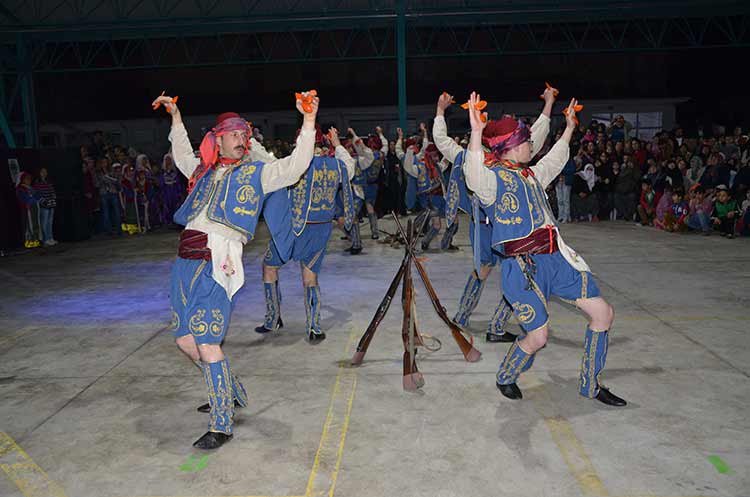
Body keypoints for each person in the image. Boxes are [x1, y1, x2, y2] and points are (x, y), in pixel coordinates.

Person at [152, 91, 317, 450]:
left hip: (218, 260)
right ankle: (231, 391)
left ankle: (222, 422)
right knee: (185, 340)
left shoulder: (258, 174)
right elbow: (181, 154)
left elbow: (296, 164)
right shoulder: (203, 171)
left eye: (246, 134)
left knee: (208, 341)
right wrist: (176, 116)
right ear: (218, 139)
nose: (243, 139)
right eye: (236, 134)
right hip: (185, 261)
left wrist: (307, 121)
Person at [463, 92, 625, 406]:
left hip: (556, 260)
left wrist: (569, 128)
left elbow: (555, 158)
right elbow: (473, 175)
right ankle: (506, 375)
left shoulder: (532, 175)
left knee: (603, 313)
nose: (531, 146)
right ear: (509, 147)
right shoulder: (492, 181)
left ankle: (590, 384)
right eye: (525, 142)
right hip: (521, 269)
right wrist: (476, 133)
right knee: (538, 337)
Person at [435, 85, 555, 342]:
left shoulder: (501, 155)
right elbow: (442, 142)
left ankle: (475, 320)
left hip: (499, 226)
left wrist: (548, 104)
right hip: (491, 226)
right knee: (499, 272)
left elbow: (535, 136)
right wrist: (440, 111)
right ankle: (480, 322)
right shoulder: (482, 156)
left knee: (504, 273)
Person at [256, 126, 355, 341]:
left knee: (269, 267)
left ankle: (273, 318)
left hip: (293, 227)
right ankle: (314, 327)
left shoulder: (297, 163)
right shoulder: (337, 166)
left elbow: (268, 163)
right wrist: (337, 144)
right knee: (310, 277)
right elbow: (351, 166)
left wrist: (252, 144)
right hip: (320, 229)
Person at [16, 171, 42, 248]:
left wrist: (35, 198)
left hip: (35, 209)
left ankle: (36, 241)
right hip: (27, 210)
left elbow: (38, 196)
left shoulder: (31, 188)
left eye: (30, 179)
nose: (29, 180)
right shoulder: (20, 189)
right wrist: (33, 199)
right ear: (22, 180)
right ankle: (29, 242)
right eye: (27, 179)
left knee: (36, 224)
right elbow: (26, 199)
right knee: (28, 225)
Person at [34, 167, 58, 246]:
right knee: (44, 223)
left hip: (51, 204)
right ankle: (45, 239)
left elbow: (52, 190)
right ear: (39, 173)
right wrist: (43, 201)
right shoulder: (37, 182)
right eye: (42, 172)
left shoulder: (48, 181)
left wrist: (53, 196)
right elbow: (37, 194)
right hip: (44, 205)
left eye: (45, 171)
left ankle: (50, 238)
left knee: (50, 222)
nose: (44, 173)